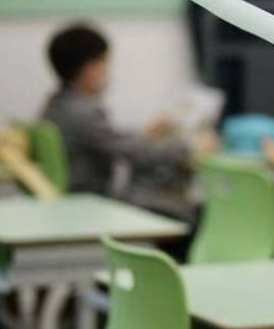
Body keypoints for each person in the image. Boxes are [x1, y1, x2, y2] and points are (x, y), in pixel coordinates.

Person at [41, 22, 216, 198]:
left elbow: (110, 139)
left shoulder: (56, 105)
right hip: (90, 199)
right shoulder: (83, 113)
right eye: (106, 64)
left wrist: (145, 133)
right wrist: (188, 147)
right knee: (187, 209)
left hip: (76, 196)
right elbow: (135, 153)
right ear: (91, 69)